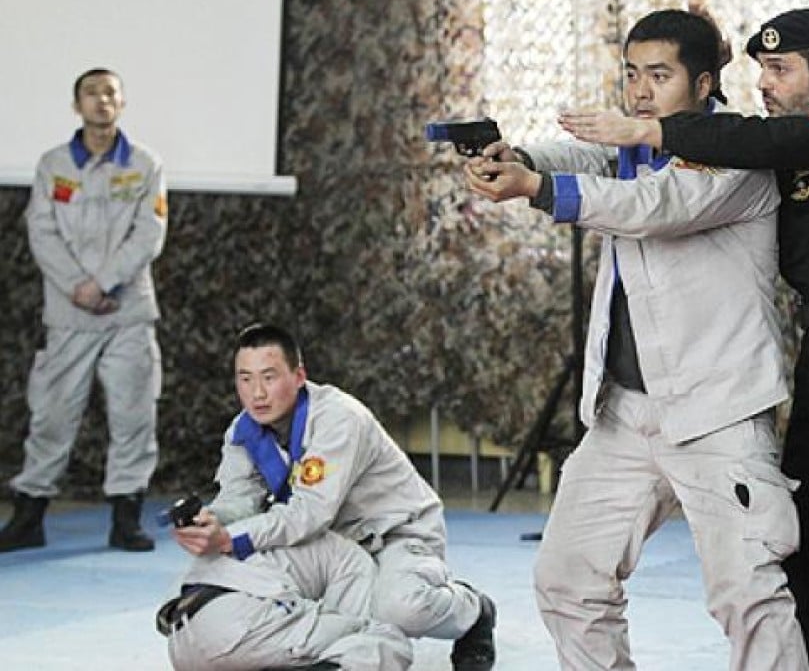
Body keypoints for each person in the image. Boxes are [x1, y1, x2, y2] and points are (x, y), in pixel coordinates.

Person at [561, 7, 809, 671]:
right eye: (759, 69)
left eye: (781, 69)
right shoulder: (791, 141)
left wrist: (656, 126)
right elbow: (750, 141)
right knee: (807, 551)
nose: (766, 83)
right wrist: (712, 73)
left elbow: (763, 142)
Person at [464, 9, 808, 671]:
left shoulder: (740, 156)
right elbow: (580, 158)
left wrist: (534, 188)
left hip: (720, 415)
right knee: (567, 580)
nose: (641, 90)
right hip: (624, 415)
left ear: (704, 83)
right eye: (631, 74)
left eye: (659, 75)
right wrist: (521, 158)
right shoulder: (629, 151)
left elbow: (652, 209)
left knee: (749, 600)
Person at [160, 323, 496, 671]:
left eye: (269, 377)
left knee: (399, 608)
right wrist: (212, 522)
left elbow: (309, 512)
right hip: (331, 542)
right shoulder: (243, 431)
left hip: (395, 534)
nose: (257, 393)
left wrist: (230, 537)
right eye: (245, 379)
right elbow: (239, 499)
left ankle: (473, 609)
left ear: (299, 376)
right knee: (217, 576)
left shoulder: (338, 418)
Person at [0, 67, 166, 553]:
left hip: (127, 312)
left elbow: (149, 234)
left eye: (110, 92)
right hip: (69, 313)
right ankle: (29, 515)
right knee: (51, 415)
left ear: (122, 102)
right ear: (77, 106)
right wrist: (79, 287)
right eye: (91, 94)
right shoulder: (54, 165)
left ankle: (126, 517)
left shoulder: (144, 164)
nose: (101, 101)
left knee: (134, 415)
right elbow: (42, 231)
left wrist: (105, 283)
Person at [160, 514, 413, 670]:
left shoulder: (250, 526)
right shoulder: (349, 554)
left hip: (180, 644)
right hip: (239, 627)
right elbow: (355, 623)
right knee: (386, 640)